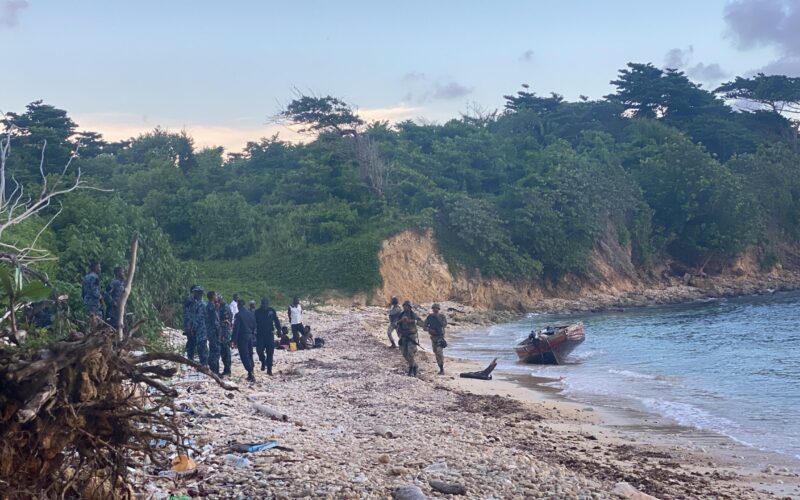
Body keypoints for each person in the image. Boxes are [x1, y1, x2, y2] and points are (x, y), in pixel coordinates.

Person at [396, 300, 424, 376]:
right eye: (404, 306)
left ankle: (411, 368)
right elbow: (395, 324)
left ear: (410, 307)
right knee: (404, 353)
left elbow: (420, 322)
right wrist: (401, 321)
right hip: (403, 336)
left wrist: (410, 321)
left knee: (410, 353)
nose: (405, 307)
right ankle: (414, 365)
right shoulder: (401, 315)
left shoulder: (413, 315)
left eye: (407, 306)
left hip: (411, 336)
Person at [254, 297, 281, 375]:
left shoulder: (271, 311)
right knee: (259, 350)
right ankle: (263, 361)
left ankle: (269, 369)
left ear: (268, 304)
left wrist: (279, 330)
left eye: (266, 304)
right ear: (261, 304)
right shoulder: (257, 312)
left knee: (270, 352)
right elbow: (253, 322)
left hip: (269, 334)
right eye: (263, 304)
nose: (264, 305)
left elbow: (276, 320)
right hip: (260, 334)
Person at [233, 298, 257, 383]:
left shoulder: (238, 315)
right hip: (250, 336)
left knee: (244, 355)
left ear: (238, 305)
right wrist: (253, 334)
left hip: (242, 337)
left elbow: (236, 329)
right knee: (250, 354)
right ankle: (251, 372)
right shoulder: (250, 314)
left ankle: (250, 371)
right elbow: (254, 324)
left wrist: (234, 340)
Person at [424, 303, 448, 375]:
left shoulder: (442, 316)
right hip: (433, 337)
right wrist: (429, 329)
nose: (435, 309)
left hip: (440, 337)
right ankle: (440, 367)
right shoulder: (429, 317)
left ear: (438, 309)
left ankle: (442, 369)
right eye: (434, 308)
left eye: (436, 308)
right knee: (436, 353)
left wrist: (437, 317)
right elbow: (424, 327)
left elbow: (444, 324)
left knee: (439, 352)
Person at [189, 285, 209, 365]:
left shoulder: (203, 305)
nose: (193, 294)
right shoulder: (196, 304)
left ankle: (205, 364)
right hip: (197, 329)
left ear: (199, 294)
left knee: (202, 347)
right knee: (199, 347)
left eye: (195, 293)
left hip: (202, 329)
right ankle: (203, 363)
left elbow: (203, 318)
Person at [205, 291, 222, 375]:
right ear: (212, 297)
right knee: (216, 351)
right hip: (214, 332)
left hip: (212, 332)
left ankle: (214, 370)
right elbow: (215, 322)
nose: (217, 297)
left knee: (213, 350)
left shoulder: (211, 306)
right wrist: (219, 333)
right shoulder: (211, 307)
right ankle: (214, 371)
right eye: (216, 295)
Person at [217, 294, 233, 376]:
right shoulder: (221, 307)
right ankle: (226, 369)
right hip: (222, 332)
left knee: (226, 351)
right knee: (223, 352)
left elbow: (225, 322)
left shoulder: (225, 308)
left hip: (225, 332)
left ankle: (227, 370)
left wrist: (222, 335)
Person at [183, 286, 197, 360]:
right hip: (189, 325)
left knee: (192, 341)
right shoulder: (189, 300)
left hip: (193, 325)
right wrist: (188, 326)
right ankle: (190, 357)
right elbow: (187, 314)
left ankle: (189, 355)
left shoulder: (194, 300)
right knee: (191, 341)